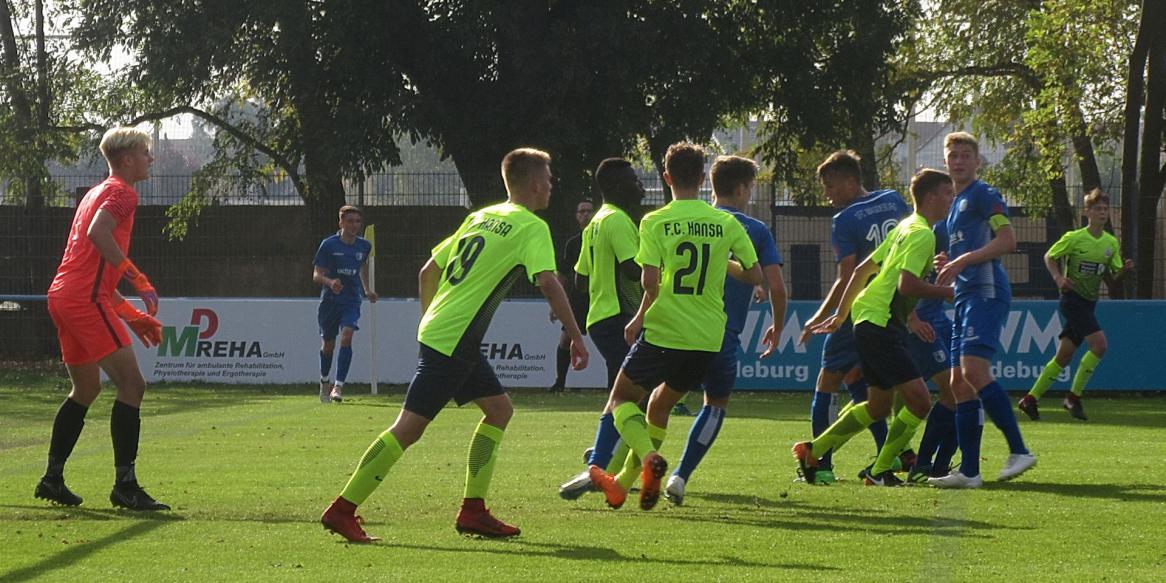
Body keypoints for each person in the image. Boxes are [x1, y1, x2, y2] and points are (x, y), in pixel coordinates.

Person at [320, 148, 588, 542]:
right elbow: (549, 282)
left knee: (499, 410)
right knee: (408, 429)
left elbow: (429, 269)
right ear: (533, 184)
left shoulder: (481, 216)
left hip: (448, 333)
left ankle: (473, 511)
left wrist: (431, 318)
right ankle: (343, 509)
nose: (551, 185)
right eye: (548, 179)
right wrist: (577, 337)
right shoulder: (531, 227)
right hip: (455, 339)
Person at [585, 142, 761, 511]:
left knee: (620, 399)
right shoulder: (726, 222)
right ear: (702, 178)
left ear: (666, 177)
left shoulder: (655, 220)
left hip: (665, 330)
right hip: (709, 338)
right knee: (659, 406)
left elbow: (649, 281)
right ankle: (623, 484)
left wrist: (638, 318)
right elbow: (754, 274)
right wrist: (722, 262)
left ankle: (649, 457)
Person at [792, 169, 955, 486]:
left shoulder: (905, 228)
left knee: (879, 405)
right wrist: (948, 292)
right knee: (920, 401)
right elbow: (907, 286)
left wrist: (842, 314)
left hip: (869, 318)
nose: (952, 199)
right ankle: (879, 471)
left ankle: (815, 449)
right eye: (948, 193)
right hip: (880, 323)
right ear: (931, 197)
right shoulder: (922, 233)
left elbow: (865, 269)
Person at [35, 126, 169, 511]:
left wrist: (131, 315)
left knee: (87, 389)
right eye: (146, 153)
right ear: (127, 158)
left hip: (64, 296)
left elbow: (96, 274)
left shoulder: (96, 191)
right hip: (82, 300)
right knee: (133, 385)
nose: (151, 159)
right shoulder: (123, 193)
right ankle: (125, 486)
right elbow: (99, 234)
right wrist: (139, 279)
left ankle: (52, 478)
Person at [660, 155, 787, 505]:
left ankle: (618, 461)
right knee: (715, 403)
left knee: (654, 397)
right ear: (743, 187)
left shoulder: (688, 220)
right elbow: (776, 286)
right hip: (719, 337)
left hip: (674, 329)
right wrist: (777, 326)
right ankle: (680, 476)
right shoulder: (755, 230)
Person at [930, 132, 1036, 489]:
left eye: (965, 155)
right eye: (953, 156)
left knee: (973, 372)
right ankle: (970, 472)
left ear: (977, 161)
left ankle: (1019, 449)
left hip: (986, 291)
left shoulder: (984, 194)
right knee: (960, 383)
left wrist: (961, 261)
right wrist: (951, 261)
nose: (958, 161)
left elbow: (1008, 241)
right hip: (964, 296)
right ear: (946, 162)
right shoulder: (955, 207)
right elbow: (969, 250)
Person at [798, 150, 911, 483]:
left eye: (831, 186)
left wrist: (823, 314)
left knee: (828, 380)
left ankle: (821, 466)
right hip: (895, 306)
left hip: (860, 307)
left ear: (850, 181)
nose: (828, 194)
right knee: (867, 384)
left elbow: (846, 276)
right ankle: (890, 458)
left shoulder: (844, 220)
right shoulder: (894, 201)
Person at [556, 158, 646, 499]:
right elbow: (632, 271)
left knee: (624, 394)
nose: (639, 185)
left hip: (600, 318)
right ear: (618, 186)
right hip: (620, 319)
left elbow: (580, 279)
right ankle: (601, 467)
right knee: (638, 393)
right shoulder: (620, 221)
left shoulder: (594, 223)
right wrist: (660, 269)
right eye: (634, 179)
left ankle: (601, 462)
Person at [1019, 189, 1132, 421]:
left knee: (1063, 357)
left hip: (1089, 303)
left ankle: (1029, 399)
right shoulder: (1074, 238)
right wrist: (1059, 278)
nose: (1102, 213)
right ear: (1087, 212)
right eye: (1097, 209)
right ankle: (1073, 397)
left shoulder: (1110, 243)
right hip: (1072, 300)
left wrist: (1124, 270)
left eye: (1104, 209)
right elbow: (1050, 256)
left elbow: (1114, 275)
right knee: (1099, 345)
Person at [902, 219, 960, 483]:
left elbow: (948, 294)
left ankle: (939, 466)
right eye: (946, 194)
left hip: (939, 323)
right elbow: (897, 281)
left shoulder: (948, 236)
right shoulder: (922, 234)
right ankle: (922, 464)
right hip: (919, 326)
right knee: (953, 392)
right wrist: (912, 319)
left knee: (963, 392)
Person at [313, 205, 378, 403]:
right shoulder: (329, 245)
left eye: (357, 222)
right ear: (341, 222)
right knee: (328, 345)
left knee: (347, 336)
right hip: (330, 302)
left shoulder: (364, 246)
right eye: (350, 221)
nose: (354, 225)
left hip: (351, 299)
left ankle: (338, 387)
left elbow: (363, 267)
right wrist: (330, 282)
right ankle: (325, 380)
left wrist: (367, 289)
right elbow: (316, 275)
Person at [548, 198, 596, 392]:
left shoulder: (603, 238)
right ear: (576, 216)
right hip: (578, 299)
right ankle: (560, 383)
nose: (586, 215)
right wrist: (554, 304)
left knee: (613, 342)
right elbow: (562, 275)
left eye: (589, 211)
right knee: (565, 341)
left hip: (602, 297)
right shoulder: (573, 244)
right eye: (582, 211)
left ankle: (617, 387)